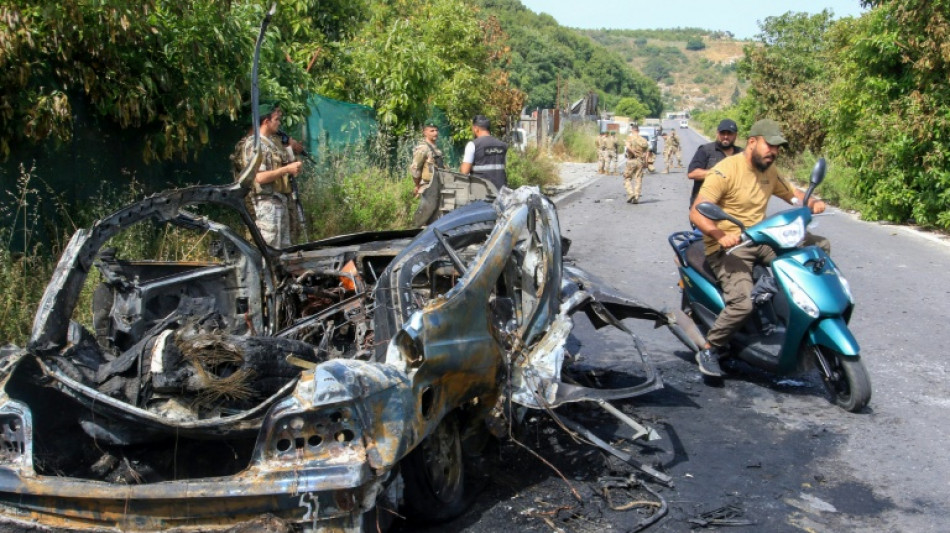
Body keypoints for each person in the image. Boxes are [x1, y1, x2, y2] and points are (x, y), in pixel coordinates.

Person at [689, 119, 830, 378]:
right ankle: (710, 348)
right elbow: (697, 212)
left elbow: (792, 194)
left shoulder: (769, 169)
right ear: (752, 142)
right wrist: (719, 235)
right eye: (770, 145)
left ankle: (805, 307)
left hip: (761, 239)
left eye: (778, 148)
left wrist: (810, 202)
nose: (774, 152)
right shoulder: (725, 171)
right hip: (730, 246)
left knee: (818, 247)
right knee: (743, 304)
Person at [236, 101, 302, 249]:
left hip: (280, 201)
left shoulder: (272, 144)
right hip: (266, 204)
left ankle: (279, 273)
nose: (279, 123)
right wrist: (287, 169)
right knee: (269, 249)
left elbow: (284, 164)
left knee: (284, 250)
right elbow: (259, 177)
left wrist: (293, 164)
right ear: (266, 121)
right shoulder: (254, 144)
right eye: (276, 120)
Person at [687, 119, 741, 207]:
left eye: (729, 133)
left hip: (732, 208)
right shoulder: (705, 150)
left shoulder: (741, 154)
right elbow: (692, 173)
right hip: (704, 204)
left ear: (735, 135)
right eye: (723, 133)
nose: (726, 137)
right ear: (717, 133)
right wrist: (718, 173)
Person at [460, 115, 508, 190]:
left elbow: (464, 172)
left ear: (476, 129)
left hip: (481, 191)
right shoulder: (502, 145)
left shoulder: (473, 145)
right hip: (501, 190)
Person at [409, 122, 445, 198]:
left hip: (437, 186)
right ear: (425, 133)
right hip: (427, 187)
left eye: (436, 130)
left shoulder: (437, 150)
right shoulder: (423, 148)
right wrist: (417, 185)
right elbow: (415, 168)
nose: (435, 133)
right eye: (432, 131)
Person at [622, 125, 650, 204]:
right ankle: (636, 197)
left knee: (627, 177)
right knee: (638, 179)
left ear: (632, 130)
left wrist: (633, 152)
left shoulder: (629, 138)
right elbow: (647, 152)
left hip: (631, 160)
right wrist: (646, 162)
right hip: (640, 161)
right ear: (638, 130)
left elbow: (627, 147)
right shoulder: (643, 140)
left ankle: (631, 193)